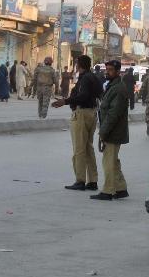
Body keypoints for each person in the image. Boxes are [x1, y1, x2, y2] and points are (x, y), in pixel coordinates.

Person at [53, 55, 101, 191]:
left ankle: (80, 180)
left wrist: (65, 101)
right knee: (88, 148)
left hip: (81, 114)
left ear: (79, 65)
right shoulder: (93, 77)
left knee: (79, 149)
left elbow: (83, 96)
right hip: (91, 113)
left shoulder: (85, 78)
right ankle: (93, 181)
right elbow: (98, 93)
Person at [91, 59, 128, 201]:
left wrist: (103, 132)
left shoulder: (118, 89)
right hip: (111, 129)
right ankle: (120, 188)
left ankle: (108, 191)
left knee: (108, 161)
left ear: (118, 72)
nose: (107, 72)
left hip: (113, 131)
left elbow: (113, 114)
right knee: (113, 161)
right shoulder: (113, 86)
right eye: (107, 69)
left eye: (111, 70)